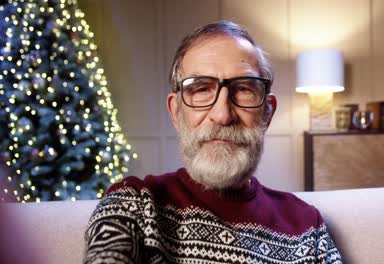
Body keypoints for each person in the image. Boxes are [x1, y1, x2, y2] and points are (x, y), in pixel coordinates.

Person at [84, 20, 342, 264]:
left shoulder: (308, 226)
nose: (222, 115)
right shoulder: (134, 205)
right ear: (176, 112)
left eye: (244, 89)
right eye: (201, 89)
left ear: (267, 112)